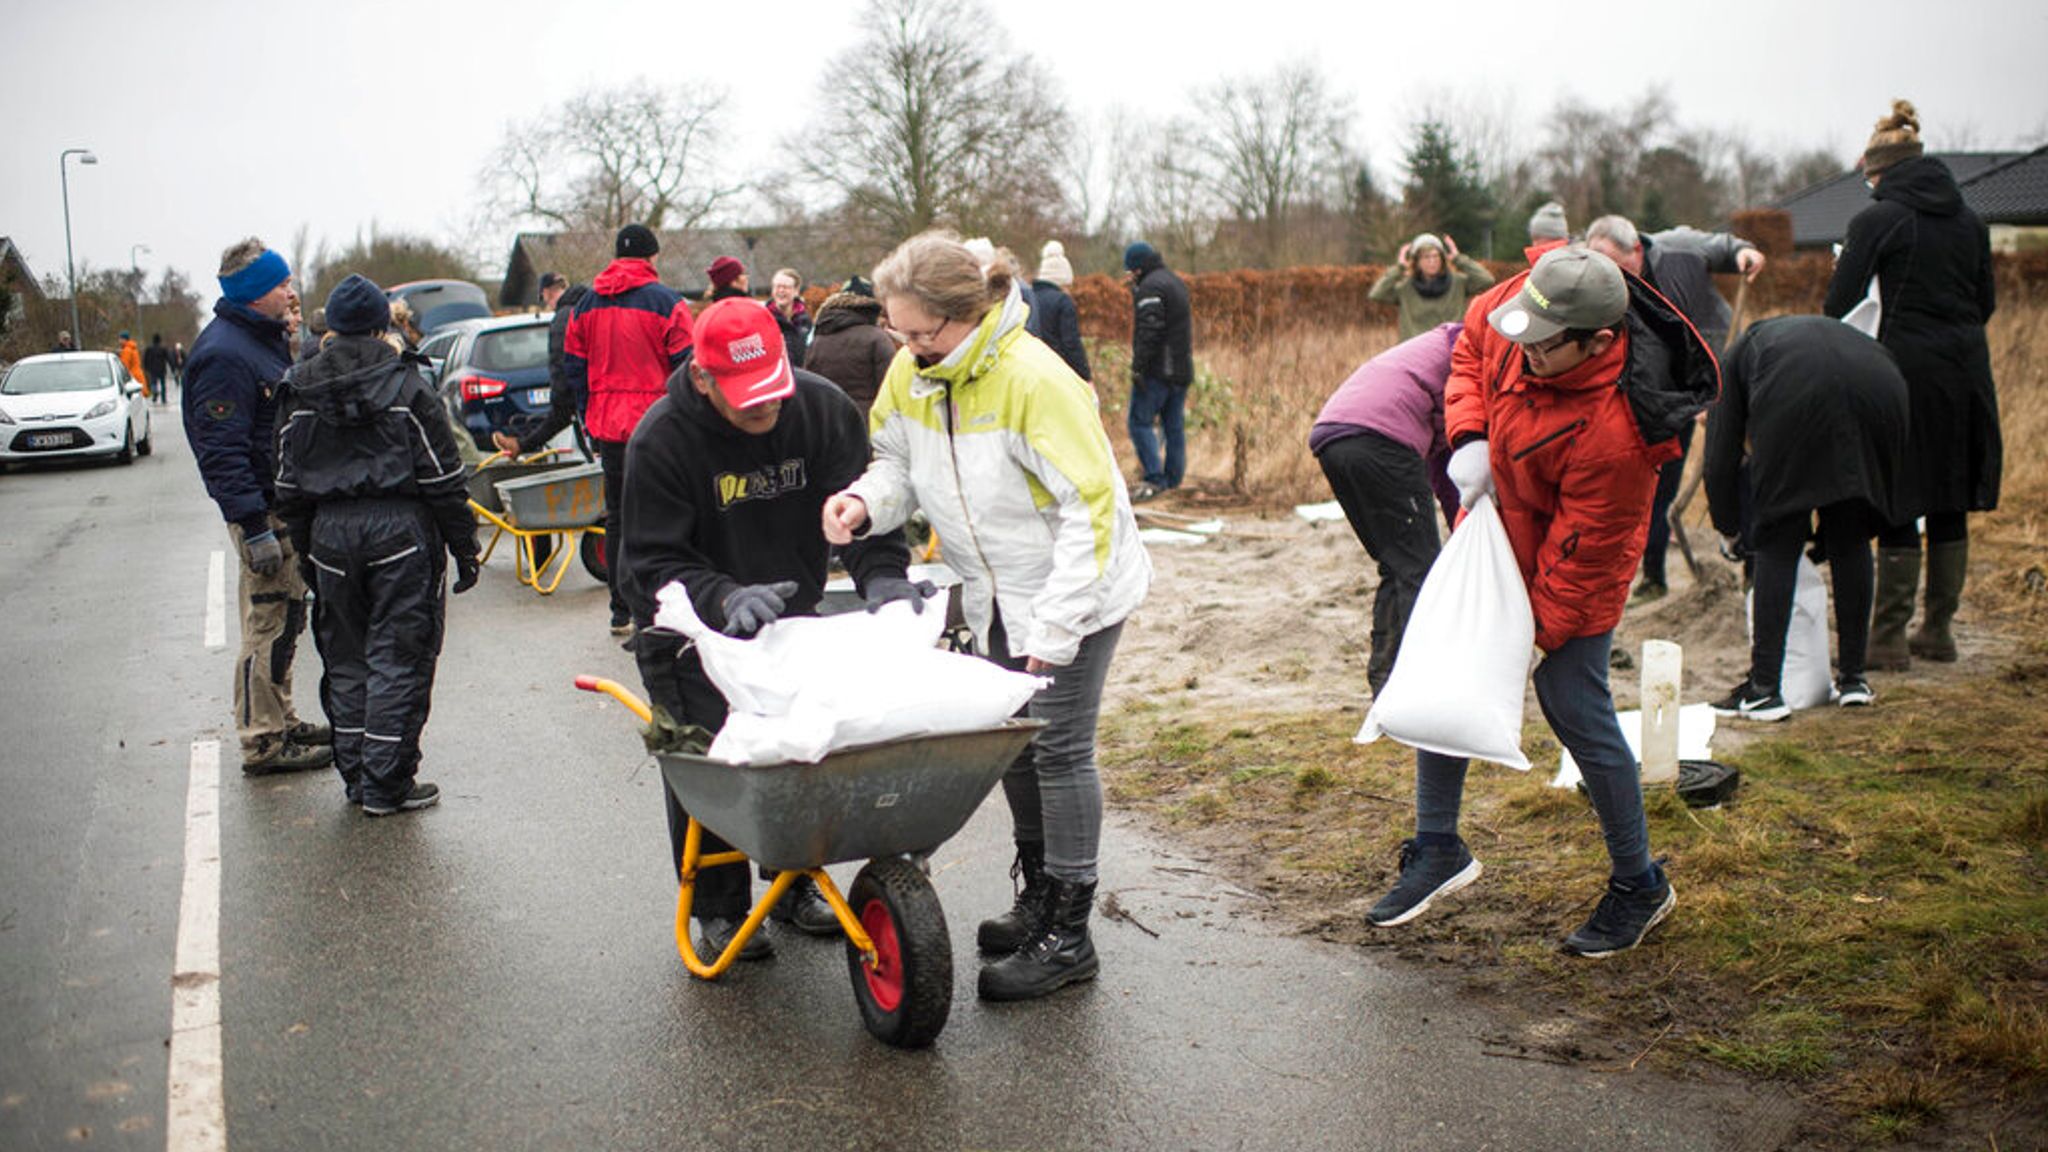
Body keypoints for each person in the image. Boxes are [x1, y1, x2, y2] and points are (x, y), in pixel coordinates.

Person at [822, 230, 1153, 1001]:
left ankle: (1068, 934)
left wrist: (1058, 629)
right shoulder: (913, 372)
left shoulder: (1037, 381)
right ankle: (1038, 894)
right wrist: (863, 504)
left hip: (1075, 585)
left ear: (966, 312)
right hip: (993, 590)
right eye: (898, 333)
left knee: (1061, 748)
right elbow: (896, 465)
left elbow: (1091, 511)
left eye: (918, 332)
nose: (905, 348)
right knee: (1014, 747)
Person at [1368, 246, 1716, 956]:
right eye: (1520, 326)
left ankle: (1639, 883)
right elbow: (1470, 346)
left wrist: (1528, 636)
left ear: (1597, 341)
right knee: (1449, 677)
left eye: (1543, 345)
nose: (1522, 347)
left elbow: (1581, 558)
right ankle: (1438, 849)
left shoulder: (1621, 431)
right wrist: (1467, 438)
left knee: (1570, 699)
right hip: (1497, 533)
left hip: (1578, 562)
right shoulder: (1533, 306)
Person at [620, 298, 919, 958]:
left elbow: (857, 513)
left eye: (774, 391)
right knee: (715, 764)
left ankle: (791, 885)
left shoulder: (822, 411)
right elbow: (650, 566)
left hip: (789, 620)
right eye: (748, 398)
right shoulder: (662, 441)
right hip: (690, 634)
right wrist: (723, 598)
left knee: (796, 754)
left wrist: (883, 575)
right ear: (703, 378)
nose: (767, 409)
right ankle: (720, 907)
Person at [273, 275, 481, 815]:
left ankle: (360, 779)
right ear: (380, 324)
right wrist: (464, 548)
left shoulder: (298, 389)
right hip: (400, 532)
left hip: (329, 535)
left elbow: (288, 486)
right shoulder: (406, 382)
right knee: (399, 657)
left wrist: (308, 551)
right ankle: (386, 785)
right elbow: (443, 477)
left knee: (345, 658)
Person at [1824, 99, 2001, 670]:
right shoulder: (1971, 221)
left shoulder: (1877, 220)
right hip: (1967, 372)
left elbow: (1839, 304)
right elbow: (1986, 302)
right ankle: (1939, 632)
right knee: (1949, 494)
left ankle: (1888, 639)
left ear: (1880, 171)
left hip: (1901, 372)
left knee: (1901, 495)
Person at [1704, 317, 1910, 720]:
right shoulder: (1792, 341)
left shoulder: (1731, 362)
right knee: (1851, 536)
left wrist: (1729, 530)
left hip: (1804, 394)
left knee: (1777, 540)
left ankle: (1764, 690)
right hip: (1884, 385)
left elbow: (1718, 462)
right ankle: (1854, 679)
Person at [183, 237, 332, 775]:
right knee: (267, 621)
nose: (291, 292)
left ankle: (282, 717)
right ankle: (263, 739)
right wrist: (252, 526)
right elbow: (221, 451)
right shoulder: (225, 354)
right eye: (281, 284)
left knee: (287, 616)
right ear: (253, 294)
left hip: (279, 505)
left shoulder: (261, 342)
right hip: (261, 513)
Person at [1585, 213, 1767, 603]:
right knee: (1655, 482)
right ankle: (1653, 575)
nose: (1610, 276)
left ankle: (1755, 572)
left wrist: (1744, 253)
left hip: (1721, 371)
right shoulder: (1604, 285)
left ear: (1636, 249)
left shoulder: (1679, 248)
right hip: (1662, 389)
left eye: (1615, 265)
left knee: (1743, 469)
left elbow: (1722, 246)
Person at [1309, 323, 1463, 697]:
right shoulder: (1468, 351)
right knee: (1420, 569)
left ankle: (1386, 681)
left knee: (1397, 564)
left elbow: (1442, 472)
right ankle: (1419, 686)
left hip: (1333, 437)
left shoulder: (1434, 360)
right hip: (1379, 438)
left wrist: (1463, 526)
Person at [565, 224, 696, 635]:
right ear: (652, 258)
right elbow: (687, 368)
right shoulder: (668, 304)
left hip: (608, 425)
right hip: (657, 424)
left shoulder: (585, 305)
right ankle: (655, 606)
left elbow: (574, 368)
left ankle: (620, 608)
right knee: (662, 515)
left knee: (618, 516)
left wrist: (589, 416)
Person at [493, 271, 591, 458]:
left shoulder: (563, 319)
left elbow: (563, 371)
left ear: (546, 293)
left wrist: (561, 404)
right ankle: (520, 444)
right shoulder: (592, 307)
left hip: (587, 404)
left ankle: (519, 446)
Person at [1122, 240, 1193, 502]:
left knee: (1138, 422)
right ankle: (1173, 480)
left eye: (1129, 271)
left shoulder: (1150, 288)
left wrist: (1139, 367)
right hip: (1181, 370)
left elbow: (1150, 331)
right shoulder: (1174, 281)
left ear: (1138, 268)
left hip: (1158, 372)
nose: (1128, 277)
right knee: (1173, 426)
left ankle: (1154, 478)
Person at [1369, 233, 1495, 341]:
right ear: (1416, 261)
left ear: (1442, 259)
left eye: (1436, 256)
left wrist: (1458, 259)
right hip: (1415, 352)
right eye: (1426, 257)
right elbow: (1377, 294)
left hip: (1450, 349)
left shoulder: (1458, 283)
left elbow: (1486, 280)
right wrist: (1400, 267)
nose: (1432, 261)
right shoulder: (1405, 288)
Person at [802, 273, 897, 414]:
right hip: (867, 424)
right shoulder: (877, 338)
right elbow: (893, 389)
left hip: (827, 421)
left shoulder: (818, 340)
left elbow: (808, 388)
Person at [1031, 240, 1091, 381]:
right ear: (1062, 281)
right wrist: (1085, 376)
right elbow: (1071, 343)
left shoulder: (1028, 297)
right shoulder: (1063, 302)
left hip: (1031, 369)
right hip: (1057, 372)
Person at [768, 268, 812, 363]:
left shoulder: (806, 321)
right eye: (777, 286)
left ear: (796, 291)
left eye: (786, 287)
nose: (781, 290)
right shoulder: (764, 319)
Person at [142, 333, 171, 404]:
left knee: (153, 383)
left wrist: (145, 368)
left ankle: (155, 393)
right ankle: (163, 399)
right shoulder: (163, 349)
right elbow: (168, 358)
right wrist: (172, 367)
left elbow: (145, 359)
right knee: (163, 384)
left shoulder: (149, 349)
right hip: (162, 369)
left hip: (152, 369)